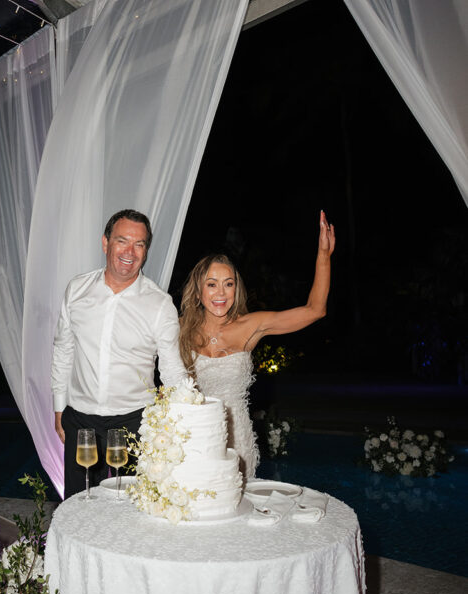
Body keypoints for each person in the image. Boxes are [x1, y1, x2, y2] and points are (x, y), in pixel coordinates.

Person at [179, 210, 335, 480]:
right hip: (193, 438)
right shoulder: (179, 329)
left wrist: (324, 255)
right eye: (212, 284)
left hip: (237, 442)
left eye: (228, 284)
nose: (221, 293)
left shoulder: (251, 326)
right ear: (199, 290)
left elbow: (315, 310)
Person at [52, 208, 187, 497]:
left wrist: (183, 420)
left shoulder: (160, 304)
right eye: (122, 241)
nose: (130, 251)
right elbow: (63, 350)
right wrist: (58, 408)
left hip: (135, 423)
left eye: (139, 244)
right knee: (78, 507)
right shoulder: (76, 290)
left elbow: (173, 371)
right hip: (81, 421)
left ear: (146, 251)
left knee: (133, 511)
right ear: (105, 243)